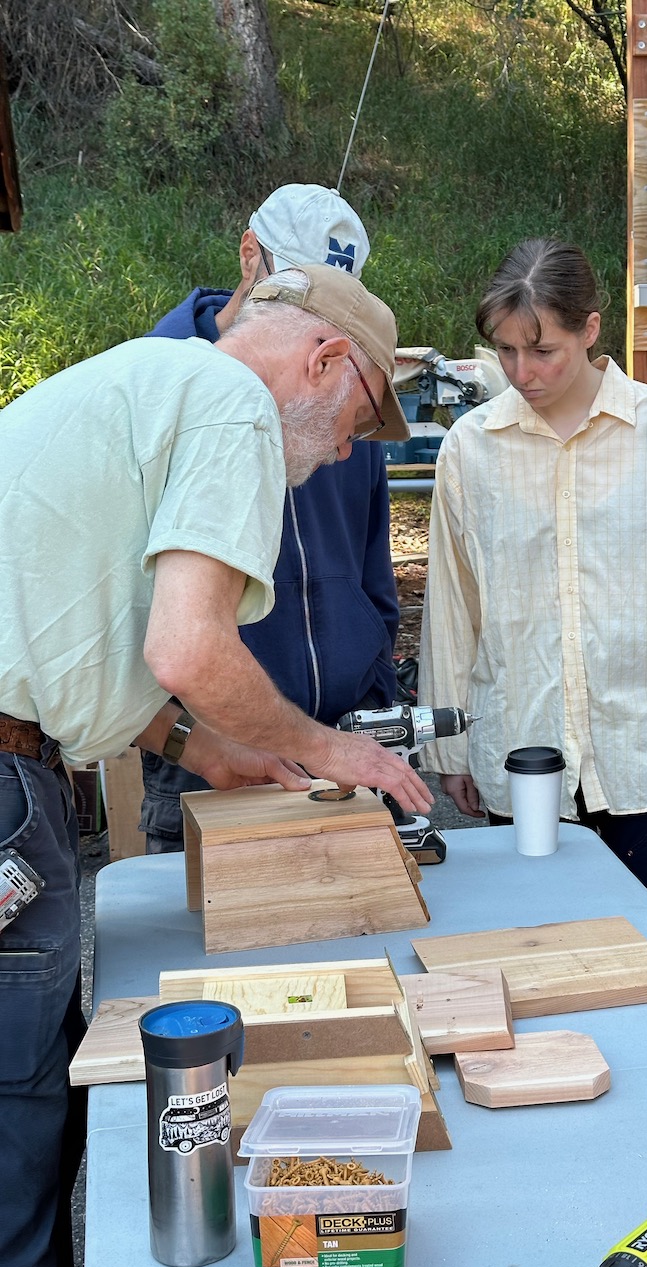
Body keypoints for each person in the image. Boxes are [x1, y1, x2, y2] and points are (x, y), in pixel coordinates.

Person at [0, 262, 433, 1267]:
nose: (338, 458)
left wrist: (199, 747)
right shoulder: (235, 406)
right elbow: (189, 650)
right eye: (355, 424)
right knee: (17, 1110)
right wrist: (332, 749)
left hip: (19, 764)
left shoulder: (149, 379)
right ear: (324, 360)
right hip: (6, 789)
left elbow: (77, 628)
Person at [418, 238, 647, 929]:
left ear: (590, 330)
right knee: (534, 956)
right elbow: (453, 607)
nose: (522, 371)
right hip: (522, 751)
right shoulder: (470, 446)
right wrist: (450, 745)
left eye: (543, 349)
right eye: (505, 351)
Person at [140, 183, 402, 854]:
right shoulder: (157, 382)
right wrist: (179, 730)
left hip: (342, 729)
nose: (318, 313)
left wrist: (373, 688)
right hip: (214, 746)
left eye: (336, 295)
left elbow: (373, 564)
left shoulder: (343, 381)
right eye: (299, 286)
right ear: (248, 254)